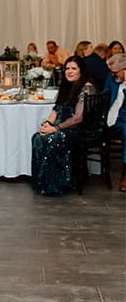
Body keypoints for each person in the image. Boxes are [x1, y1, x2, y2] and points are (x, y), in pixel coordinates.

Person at [31, 56, 94, 196]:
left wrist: (56, 128)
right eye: (67, 68)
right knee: (37, 137)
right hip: (60, 125)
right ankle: (42, 183)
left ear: (81, 71)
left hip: (76, 129)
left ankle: (59, 184)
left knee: (51, 139)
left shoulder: (86, 88)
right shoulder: (66, 86)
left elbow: (78, 117)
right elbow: (56, 109)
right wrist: (47, 125)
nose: (69, 71)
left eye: (74, 68)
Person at [104, 53, 126, 192]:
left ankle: (125, 174)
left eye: (116, 72)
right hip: (111, 119)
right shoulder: (111, 78)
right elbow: (105, 94)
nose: (113, 75)